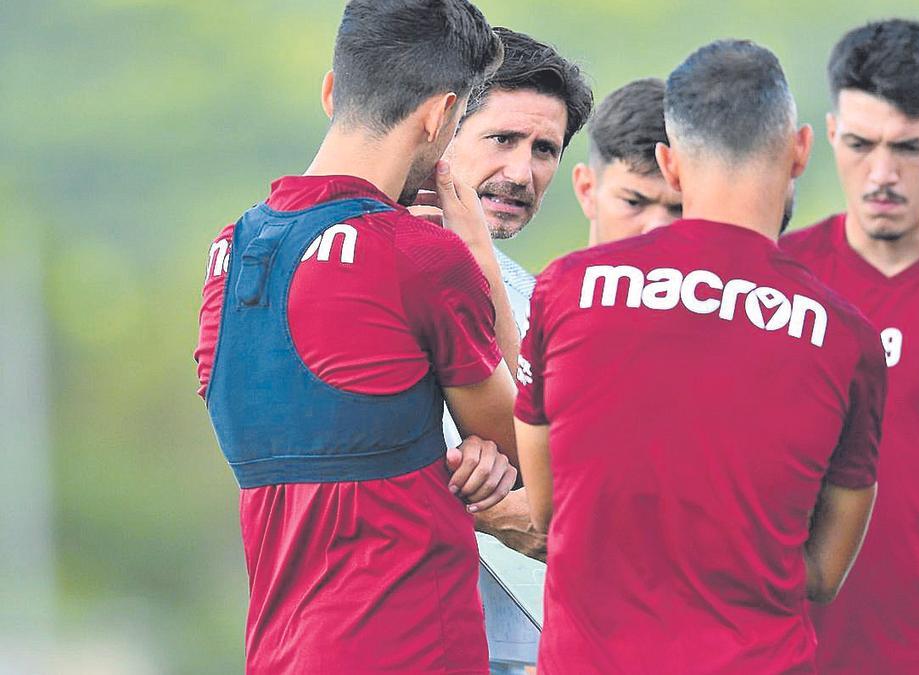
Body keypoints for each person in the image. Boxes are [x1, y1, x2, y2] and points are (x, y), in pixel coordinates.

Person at [514, 39, 887, 673]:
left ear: (670, 162)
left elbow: (548, 511)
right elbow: (823, 572)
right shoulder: (846, 337)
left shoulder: (568, 288)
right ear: (799, 150)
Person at [193, 1, 521, 672]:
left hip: (278, 650)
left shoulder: (228, 253)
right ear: (439, 115)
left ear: (330, 91)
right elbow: (529, 451)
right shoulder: (420, 256)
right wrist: (479, 255)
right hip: (411, 646)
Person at [779, 20, 919, 674]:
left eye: (909, 147)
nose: (882, 173)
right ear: (824, 136)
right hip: (804, 653)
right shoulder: (778, 282)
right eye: (860, 143)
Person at [420, 27, 593, 562]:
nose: (522, 173)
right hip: (406, 626)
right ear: (443, 127)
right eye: (503, 140)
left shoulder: (546, 298)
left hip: (537, 638)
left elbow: (582, 486)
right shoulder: (357, 264)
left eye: (545, 149)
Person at [570, 77, 682, 246]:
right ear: (586, 190)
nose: (657, 228)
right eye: (633, 202)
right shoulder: (529, 273)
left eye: (679, 208)